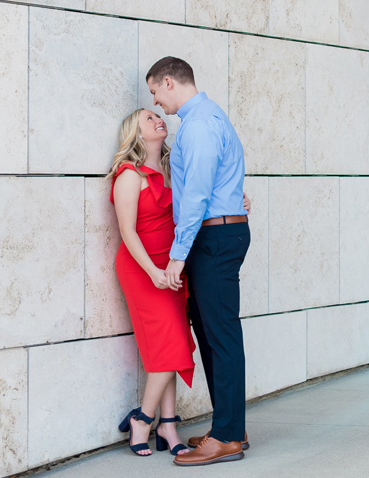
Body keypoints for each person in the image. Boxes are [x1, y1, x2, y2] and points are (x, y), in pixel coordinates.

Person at [109, 108, 251, 458]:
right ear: (136, 134)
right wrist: (153, 272)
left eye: (158, 114)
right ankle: (142, 419)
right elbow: (127, 232)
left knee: (171, 345)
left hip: (172, 269)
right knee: (169, 344)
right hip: (145, 270)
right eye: (148, 118)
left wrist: (235, 200)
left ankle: (168, 425)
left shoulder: (175, 169)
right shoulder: (129, 174)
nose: (158, 119)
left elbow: (201, 199)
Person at [146, 56, 252, 467]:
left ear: (169, 82)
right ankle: (230, 426)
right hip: (216, 233)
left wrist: (177, 255)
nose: (156, 102)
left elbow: (197, 196)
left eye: (156, 92)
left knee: (221, 336)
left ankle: (227, 436)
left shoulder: (201, 123)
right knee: (213, 335)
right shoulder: (205, 119)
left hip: (213, 237)